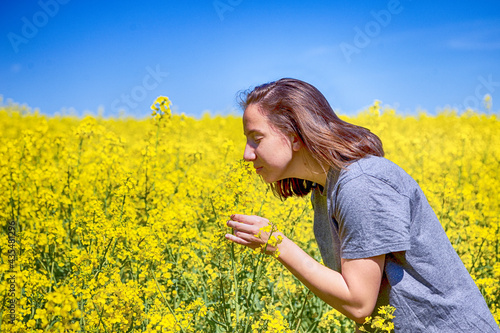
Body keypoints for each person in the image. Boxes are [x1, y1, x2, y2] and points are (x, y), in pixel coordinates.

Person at [225, 78, 500, 332]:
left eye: (256, 139)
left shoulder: (360, 184)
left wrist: (277, 244)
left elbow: (358, 303)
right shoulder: (324, 192)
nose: (247, 154)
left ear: (294, 137)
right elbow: (371, 301)